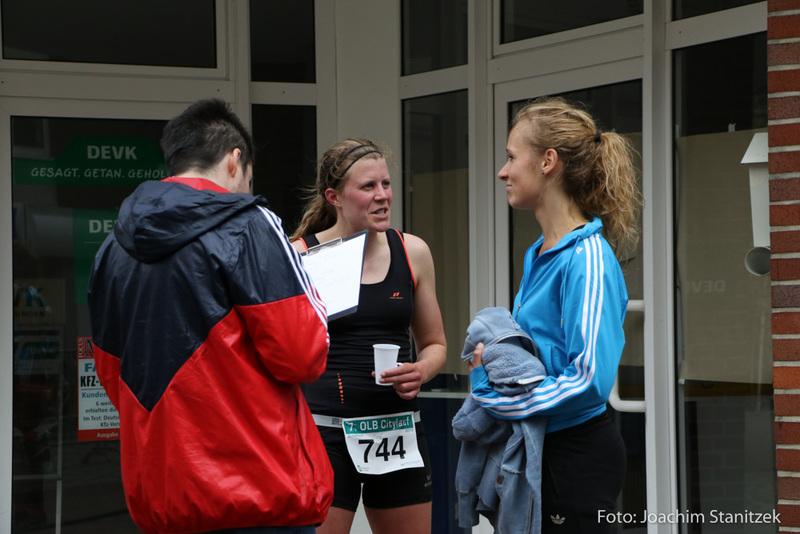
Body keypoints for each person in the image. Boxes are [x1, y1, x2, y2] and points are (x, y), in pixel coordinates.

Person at [87, 98, 333, 534]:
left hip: (166, 497)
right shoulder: (250, 223)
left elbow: (111, 371)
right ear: (235, 161)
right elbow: (302, 354)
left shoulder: (113, 247)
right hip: (260, 488)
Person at [469, 96, 640, 533]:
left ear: (548, 161)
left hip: (575, 456)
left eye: (512, 157)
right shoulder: (539, 252)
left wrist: (500, 399)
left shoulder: (587, 258)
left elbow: (588, 379)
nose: (503, 171)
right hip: (543, 446)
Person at [291, 138, 447, 534]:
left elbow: (435, 344)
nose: (382, 196)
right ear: (334, 197)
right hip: (324, 431)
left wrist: (421, 371)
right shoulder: (300, 256)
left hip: (396, 430)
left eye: (386, 184)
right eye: (368, 187)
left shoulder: (412, 251)